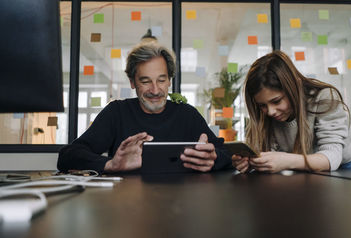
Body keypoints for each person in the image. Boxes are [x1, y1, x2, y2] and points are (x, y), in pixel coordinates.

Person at [57, 43, 231, 173]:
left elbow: (226, 154)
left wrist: (213, 159)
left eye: (161, 80)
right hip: (126, 206)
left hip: (179, 206)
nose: (155, 90)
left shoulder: (187, 114)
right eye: (146, 81)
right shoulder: (116, 113)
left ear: (170, 80)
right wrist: (110, 164)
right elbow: (67, 156)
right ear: (132, 82)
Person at [233, 50, 351, 173]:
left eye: (277, 101)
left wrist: (286, 160)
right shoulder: (269, 114)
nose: (270, 112)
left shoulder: (325, 98)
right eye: (262, 105)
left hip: (345, 159)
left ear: (293, 88)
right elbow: (273, 153)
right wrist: (253, 163)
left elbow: (332, 158)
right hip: (305, 159)